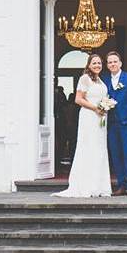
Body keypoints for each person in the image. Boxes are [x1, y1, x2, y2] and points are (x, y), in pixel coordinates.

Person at [52, 54, 111, 197]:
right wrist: (95, 108)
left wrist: (105, 106)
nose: (97, 65)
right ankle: (86, 185)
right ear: (89, 65)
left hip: (100, 119)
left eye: (99, 63)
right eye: (94, 63)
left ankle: (99, 185)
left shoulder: (99, 80)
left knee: (99, 149)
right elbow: (78, 100)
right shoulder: (85, 78)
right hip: (89, 117)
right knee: (88, 148)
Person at [101, 51, 127, 198]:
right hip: (111, 124)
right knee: (116, 155)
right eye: (110, 62)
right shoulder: (104, 79)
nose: (112, 64)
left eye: (115, 61)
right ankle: (121, 185)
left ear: (120, 63)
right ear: (107, 65)